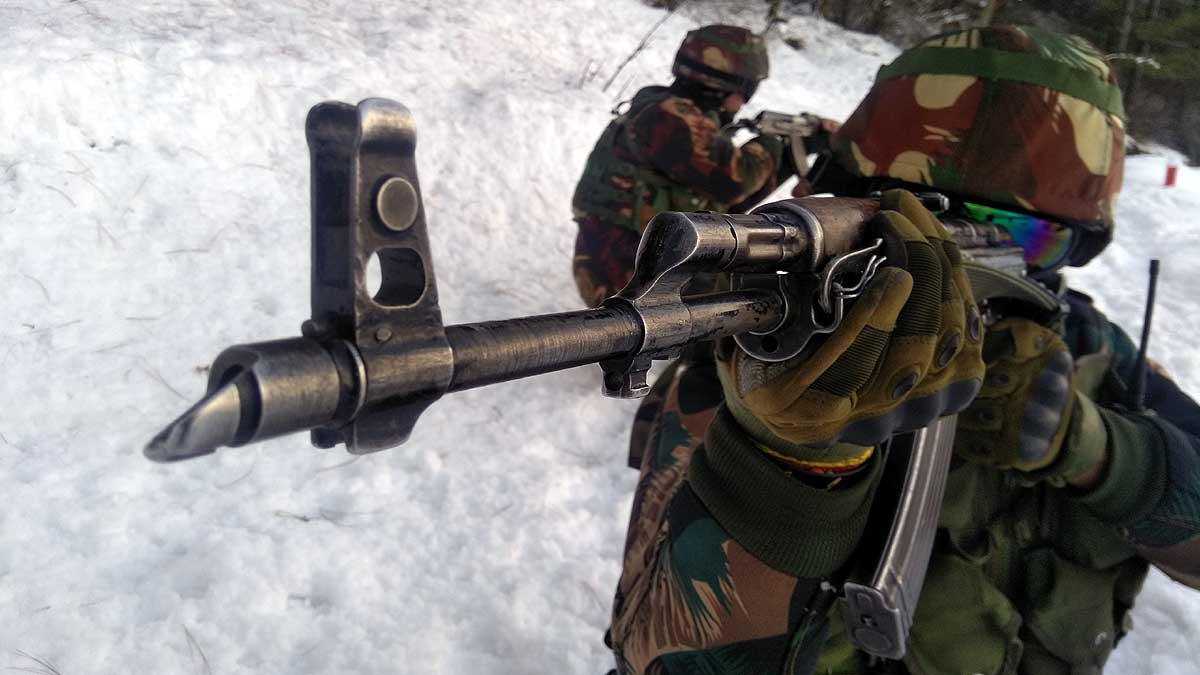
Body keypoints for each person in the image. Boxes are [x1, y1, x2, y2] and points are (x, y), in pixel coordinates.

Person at [608, 25, 1200, 675]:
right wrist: (790, 464)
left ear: (1073, 245)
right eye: (913, 214)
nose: (950, 259)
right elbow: (663, 648)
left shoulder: (1090, 350)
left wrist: (1102, 453)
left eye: (1019, 233)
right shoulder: (761, 359)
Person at [571, 24, 793, 307]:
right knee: (751, 304)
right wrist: (774, 144)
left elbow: (728, 200)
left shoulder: (669, 108)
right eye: (747, 89)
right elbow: (738, 180)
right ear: (727, 87)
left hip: (630, 256)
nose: (743, 102)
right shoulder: (671, 117)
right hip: (620, 275)